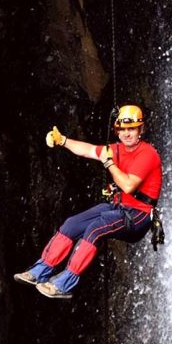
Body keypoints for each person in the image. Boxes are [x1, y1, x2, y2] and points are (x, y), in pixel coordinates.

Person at [13, 105, 163, 299]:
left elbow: (128, 186)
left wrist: (108, 163)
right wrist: (63, 141)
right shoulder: (116, 150)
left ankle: (64, 284)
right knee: (72, 224)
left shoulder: (147, 154)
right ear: (117, 130)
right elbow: (89, 150)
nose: (127, 134)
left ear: (140, 130)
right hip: (119, 208)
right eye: (123, 129)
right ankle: (40, 270)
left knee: (96, 228)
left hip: (138, 216)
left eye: (132, 129)